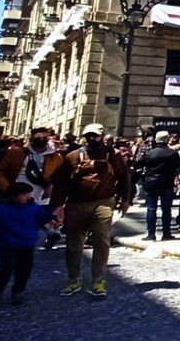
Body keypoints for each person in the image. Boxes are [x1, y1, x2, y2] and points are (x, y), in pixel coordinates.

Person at [49, 123, 131, 298]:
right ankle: (74, 279)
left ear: (102, 136)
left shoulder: (113, 155)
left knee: (101, 241)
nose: (91, 139)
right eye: (88, 136)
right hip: (76, 204)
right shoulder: (72, 157)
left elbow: (124, 178)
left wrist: (125, 200)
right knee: (73, 245)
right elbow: (61, 183)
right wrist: (57, 206)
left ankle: (98, 280)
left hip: (103, 202)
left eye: (95, 136)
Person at [0, 128, 64, 249]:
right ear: (31, 138)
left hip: (38, 196)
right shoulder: (16, 153)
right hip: (14, 194)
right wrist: (7, 188)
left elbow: (58, 179)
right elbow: (0, 172)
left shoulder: (56, 158)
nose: (41, 140)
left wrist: (51, 190)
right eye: (38, 138)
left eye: (44, 138)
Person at [0, 182, 58, 305]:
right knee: (5, 270)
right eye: (25, 194)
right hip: (7, 244)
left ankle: (18, 292)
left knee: (24, 269)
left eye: (28, 194)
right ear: (14, 196)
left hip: (26, 244)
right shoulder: (1, 210)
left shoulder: (33, 207)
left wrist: (53, 215)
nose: (28, 196)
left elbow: (43, 217)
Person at [133, 131, 180, 241]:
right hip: (167, 183)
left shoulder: (150, 153)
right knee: (166, 209)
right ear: (167, 139)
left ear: (156, 139)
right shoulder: (172, 153)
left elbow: (138, 164)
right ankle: (166, 233)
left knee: (151, 209)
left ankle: (151, 234)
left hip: (151, 182)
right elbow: (179, 165)